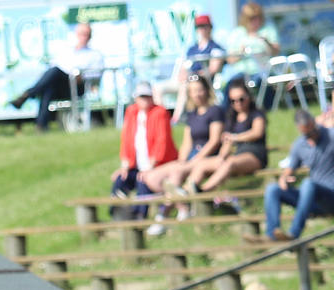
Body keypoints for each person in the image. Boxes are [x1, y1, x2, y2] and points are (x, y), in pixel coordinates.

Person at [144, 73, 224, 233]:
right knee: (152, 177)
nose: (197, 94)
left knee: (175, 174)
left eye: (199, 90)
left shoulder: (215, 111)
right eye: (193, 91)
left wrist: (195, 160)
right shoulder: (192, 115)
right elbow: (188, 142)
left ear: (207, 91)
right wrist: (182, 160)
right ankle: (182, 206)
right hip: (191, 157)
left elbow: (214, 141)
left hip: (207, 157)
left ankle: (165, 215)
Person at [251, 110, 334, 243]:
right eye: (305, 134)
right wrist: (284, 179)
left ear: (314, 122)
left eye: (311, 131)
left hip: (330, 196)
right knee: (273, 189)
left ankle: (294, 234)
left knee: (308, 184)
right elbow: (289, 169)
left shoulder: (331, 135)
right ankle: (272, 234)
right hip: (312, 198)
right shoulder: (300, 144)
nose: (309, 136)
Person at [9, 22, 105, 132]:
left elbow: (96, 76)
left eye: (86, 34)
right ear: (76, 34)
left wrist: (82, 76)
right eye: (81, 34)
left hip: (79, 87)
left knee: (54, 73)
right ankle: (41, 126)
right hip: (62, 85)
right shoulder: (67, 51)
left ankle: (27, 95)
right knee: (50, 85)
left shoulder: (94, 55)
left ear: (90, 36)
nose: (83, 37)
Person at [109, 82, 177, 227]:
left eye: (147, 96)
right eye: (141, 97)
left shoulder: (160, 113)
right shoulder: (132, 113)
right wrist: (125, 166)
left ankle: (139, 216)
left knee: (143, 180)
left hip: (157, 166)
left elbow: (162, 141)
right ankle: (116, 215)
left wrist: (150, 167)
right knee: (120, 180)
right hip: (137, 165)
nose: (145, 100)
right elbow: (127, 140)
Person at [184, 78, 267, 194]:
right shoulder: (231, 119)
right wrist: (221, 156)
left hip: (254, 155)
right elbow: (226, 142)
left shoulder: (256, 114)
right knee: (202, 164)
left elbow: (257, 133)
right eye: (233, 101)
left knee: (230, 163)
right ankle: (186, 190)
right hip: (236, 156)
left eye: (241, 99)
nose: (238, 103)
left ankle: (203, 190)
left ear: (248, 97)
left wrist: (236, 137)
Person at [155, 14, 226, 123]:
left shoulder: (215, 48)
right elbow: (184, 66)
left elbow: (213, 69)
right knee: (157, 87)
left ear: (210, 27)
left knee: (185, 87)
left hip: (203, 82)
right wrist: (183, 75)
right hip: (187, 79)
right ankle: (162, 118)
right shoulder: (192, 49)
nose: (201, 29)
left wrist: (194, 76)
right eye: (199, 27)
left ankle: (175, 119)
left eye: (204, 26)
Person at [223, 2, 280, 95]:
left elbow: (276, 52)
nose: (255, 21)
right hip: (242, 72)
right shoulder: (237, 33)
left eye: (258, 17)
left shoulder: (268, 29)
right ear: (245, 19)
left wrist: (267, 42)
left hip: (264, 71)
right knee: (233, 85)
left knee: (263, 84)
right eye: (252, 18)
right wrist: (241, 53)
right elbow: (229, 59)